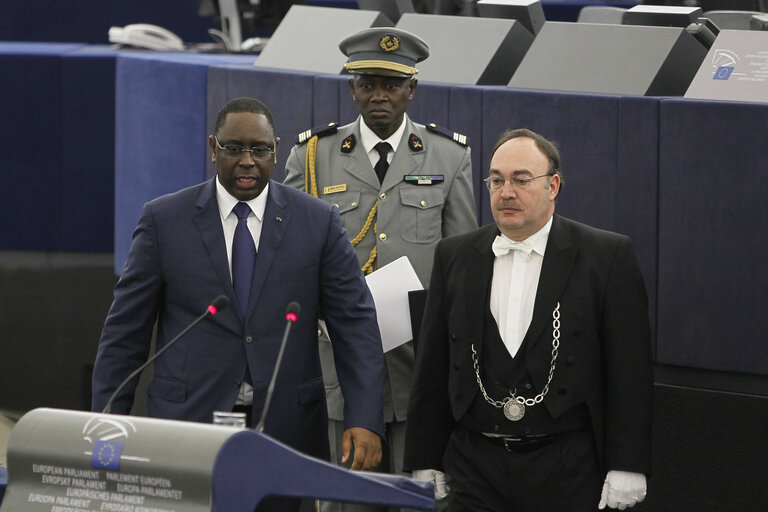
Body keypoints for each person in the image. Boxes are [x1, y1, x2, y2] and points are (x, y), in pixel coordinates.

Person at [92, 97, 385, 512]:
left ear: (276, 149)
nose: (247, 161)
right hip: (187, 428)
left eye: (260, 150)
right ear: (214, 149)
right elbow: (124, 335)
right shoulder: (164, 220)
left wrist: (364, 417)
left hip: (286, 431)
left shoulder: (317, 222)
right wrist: (107, 425)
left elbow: (355, 326)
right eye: (234, 149)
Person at [403, 128, 653, 511]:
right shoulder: (454, 255)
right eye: (497, 180)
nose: (506, 192)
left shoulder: (605, 256)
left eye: (521, 180)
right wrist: (424, 458)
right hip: (474, 468)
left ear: (553, 186)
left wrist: (628, 464)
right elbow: (433, 365)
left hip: (567, 467)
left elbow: (629, 371)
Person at [283, 27, 477, 509]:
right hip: (340, 368)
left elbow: (463, 269)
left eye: (391, 85)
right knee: (344, 500)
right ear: (351, 87)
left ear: (412, 89)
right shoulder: (313, 157)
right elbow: (288, 260)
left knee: (421, 500)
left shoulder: (449, 157)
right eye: (367, 83)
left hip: (418, 365)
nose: (379, 95)